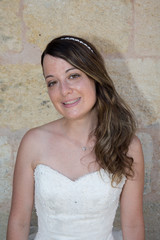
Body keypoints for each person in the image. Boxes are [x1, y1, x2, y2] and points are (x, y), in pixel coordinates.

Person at [7, 35, 145, 240]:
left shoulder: (127, 145)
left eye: (73, 76)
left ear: (95, 76)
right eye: (52, 82)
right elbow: (19, 221)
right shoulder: (33, 142)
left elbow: (132, 225)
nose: (64, 91)